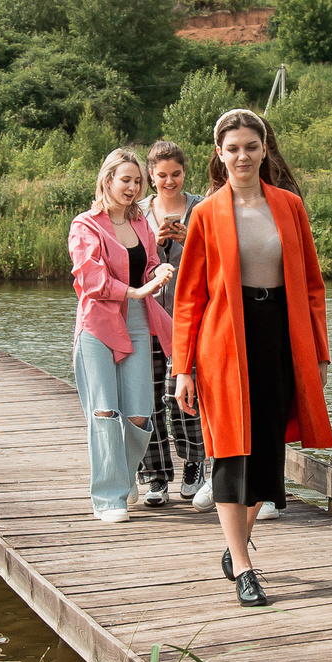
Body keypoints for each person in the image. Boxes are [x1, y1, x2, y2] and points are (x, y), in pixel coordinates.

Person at [171, 109, 332, 606]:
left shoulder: (289, 207)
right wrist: (183, 370)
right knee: (230, 448)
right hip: (223, 343)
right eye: (233, 148)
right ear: (219, 154)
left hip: (281, 338)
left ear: (265, 150)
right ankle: (244, 565)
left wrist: (319, 355)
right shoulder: (206, 213)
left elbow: (311, 286)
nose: (243, 156)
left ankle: (235, 538)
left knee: (265, 448)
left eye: (252, 147)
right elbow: (189, 297)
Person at [68, 146, 173, 523]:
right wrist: (136, 292)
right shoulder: (85, 225)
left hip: (138, 323)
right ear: (107, 180)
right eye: (124, 180)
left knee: (141, 414)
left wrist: (157, 275)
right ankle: (108, 496)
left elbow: (147, 266)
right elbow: (91, 279)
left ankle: (124, 475)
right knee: (104, 412)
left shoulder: (142, 223)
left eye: (136, 182)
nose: (132, 188)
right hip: (98, 325)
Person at [137, 140, 207, 508]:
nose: (169, 181)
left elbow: (218, 258)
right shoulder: (138, 212)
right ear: (151, 175)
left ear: (184, 172)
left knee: (180, 397)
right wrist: (155, 244)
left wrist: (189, 241)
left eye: (176, 174)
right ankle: (156, 475)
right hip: (147, 318)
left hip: (186, 319)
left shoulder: (200, 208)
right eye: (162, 175)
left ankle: (195, 463)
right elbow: (130, 264)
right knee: (145, 400)